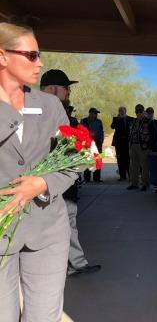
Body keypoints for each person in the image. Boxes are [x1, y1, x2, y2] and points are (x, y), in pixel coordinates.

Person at [0, 22, 78, 321]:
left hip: (47, 230)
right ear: (3, 56)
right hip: (1, 230)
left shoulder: (50, 105)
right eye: (31, 55)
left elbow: (73, 159)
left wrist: (44, 183)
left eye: (39, 53)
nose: (40, 62)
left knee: (44, 316)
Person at [40, 69, 101, 277]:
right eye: (66, 88)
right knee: (60, 226)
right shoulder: (38, 115)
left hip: (64, 185)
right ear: (52, 89)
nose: (69, 92)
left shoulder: (62, 114)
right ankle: (67, 265)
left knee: (68, 223)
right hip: (50, 186)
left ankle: (74, 263)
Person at [128, 104, 157, 191]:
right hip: (133, 145)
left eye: (140, 111)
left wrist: (150, 147)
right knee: (134, 166)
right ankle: (134, 184)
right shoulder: (133, 121)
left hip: (144, 147)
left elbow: (154, 135)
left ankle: (145, 184)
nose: (138, 113)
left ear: (143, 111)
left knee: (144, 166)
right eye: (136, 111)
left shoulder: (149, 121)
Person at [81, 107, 104, 182]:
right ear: (90, 113)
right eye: (95, 113)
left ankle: (97, 178)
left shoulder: (99, 121)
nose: (96, 115)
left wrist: (101, 140)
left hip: (97, 143)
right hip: (88, 144)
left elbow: (101, 132)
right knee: (88, 160)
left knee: (97, 160)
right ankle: (87, 178)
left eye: (96, 113)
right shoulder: (84, 121)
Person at [111, 106, 134, 181]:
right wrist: (118, 119)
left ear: (125, 111)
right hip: (119, 142)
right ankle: (122, 176)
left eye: (122, 110)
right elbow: (112, 126)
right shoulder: (116, 119)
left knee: (128, 158)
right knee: (120, 159)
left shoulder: (130, 119)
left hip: (127, 141)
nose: (121, 112)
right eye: (120, 110)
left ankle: (130, 175)